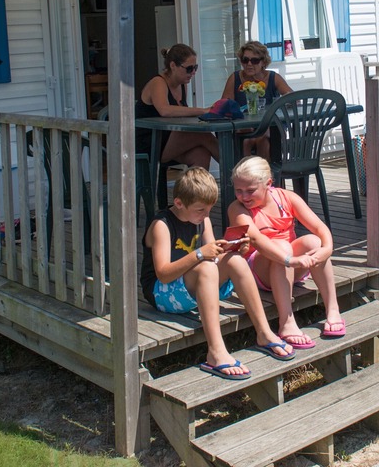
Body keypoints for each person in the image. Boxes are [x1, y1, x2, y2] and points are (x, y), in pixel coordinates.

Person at [140, 168, 295, 380]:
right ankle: (215, 351)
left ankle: (264, 332)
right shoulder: (162, 225)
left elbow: (212, 256)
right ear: (179, 203)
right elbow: (164, 274)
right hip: (162, 294)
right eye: (200, 210)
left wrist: (235, 249)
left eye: (209, 210)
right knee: (205, 267)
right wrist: (199, 254)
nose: (206, 216)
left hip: (191, 284)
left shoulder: (201, 220)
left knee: (236, 261)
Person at [225, 156, 344, 350]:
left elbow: (320, 228)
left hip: (291, 264)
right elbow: (257, 240)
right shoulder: (237, 209)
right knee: (282, 246)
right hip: (260, 270)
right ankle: (286, 322)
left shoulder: (287, 198)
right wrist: (290, 260)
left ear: (268, 184)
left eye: (250, 190)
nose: (244, 197)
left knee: (314, 242)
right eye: (238, 190)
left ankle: (333, 309)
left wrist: (327, 249)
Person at [138, 43, 218, 169]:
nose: (193, 72)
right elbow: (165, 110)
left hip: (168, 140)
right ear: (173, 66)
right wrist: (203, 111)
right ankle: (237, 171)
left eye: (195, 68)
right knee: (203, 135)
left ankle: (198, 184)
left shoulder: (182, 84)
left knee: (201, 155)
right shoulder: (158, 82)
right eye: (189, 68)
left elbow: (181, 114)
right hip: (150, 142)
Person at [220, 40, 293, 160]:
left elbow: (293, 99)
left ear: (263, 62)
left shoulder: (273, 77)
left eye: (254, 60)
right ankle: (246, 171)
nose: (249, 64)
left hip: (270, 127)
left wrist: (283, 102)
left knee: (262, 138)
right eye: (245, 60)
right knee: (246, 141)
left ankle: (265, 171)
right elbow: (224, 105)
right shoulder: (235, 78)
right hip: (244, 127)